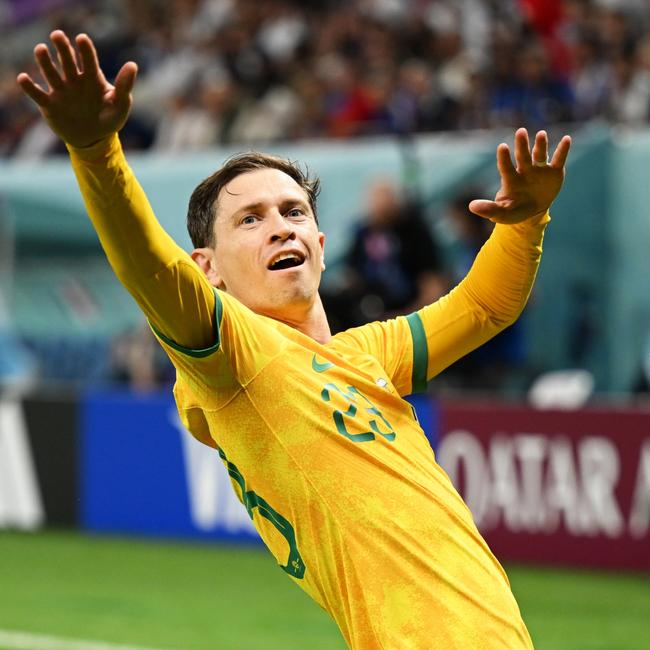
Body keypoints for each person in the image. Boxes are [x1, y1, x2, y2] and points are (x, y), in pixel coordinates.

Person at [17, 31, 571, 649]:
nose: (280, 228)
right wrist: (96, 152)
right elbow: (151, 268)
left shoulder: (367, 356)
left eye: (293, 212)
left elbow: (485, 306)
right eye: (250, 220)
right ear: (208, 269)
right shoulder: (237, 358)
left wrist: (525, 223)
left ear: (322, 247)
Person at [323, 177, 447, 333]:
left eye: (385, 198)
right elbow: (352, 277)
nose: (379, 206)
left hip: (407, 316)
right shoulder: (362, 232)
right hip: (371, 312)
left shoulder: (414, 233)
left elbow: (432, 288)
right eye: (374, 200)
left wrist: (401, 319)